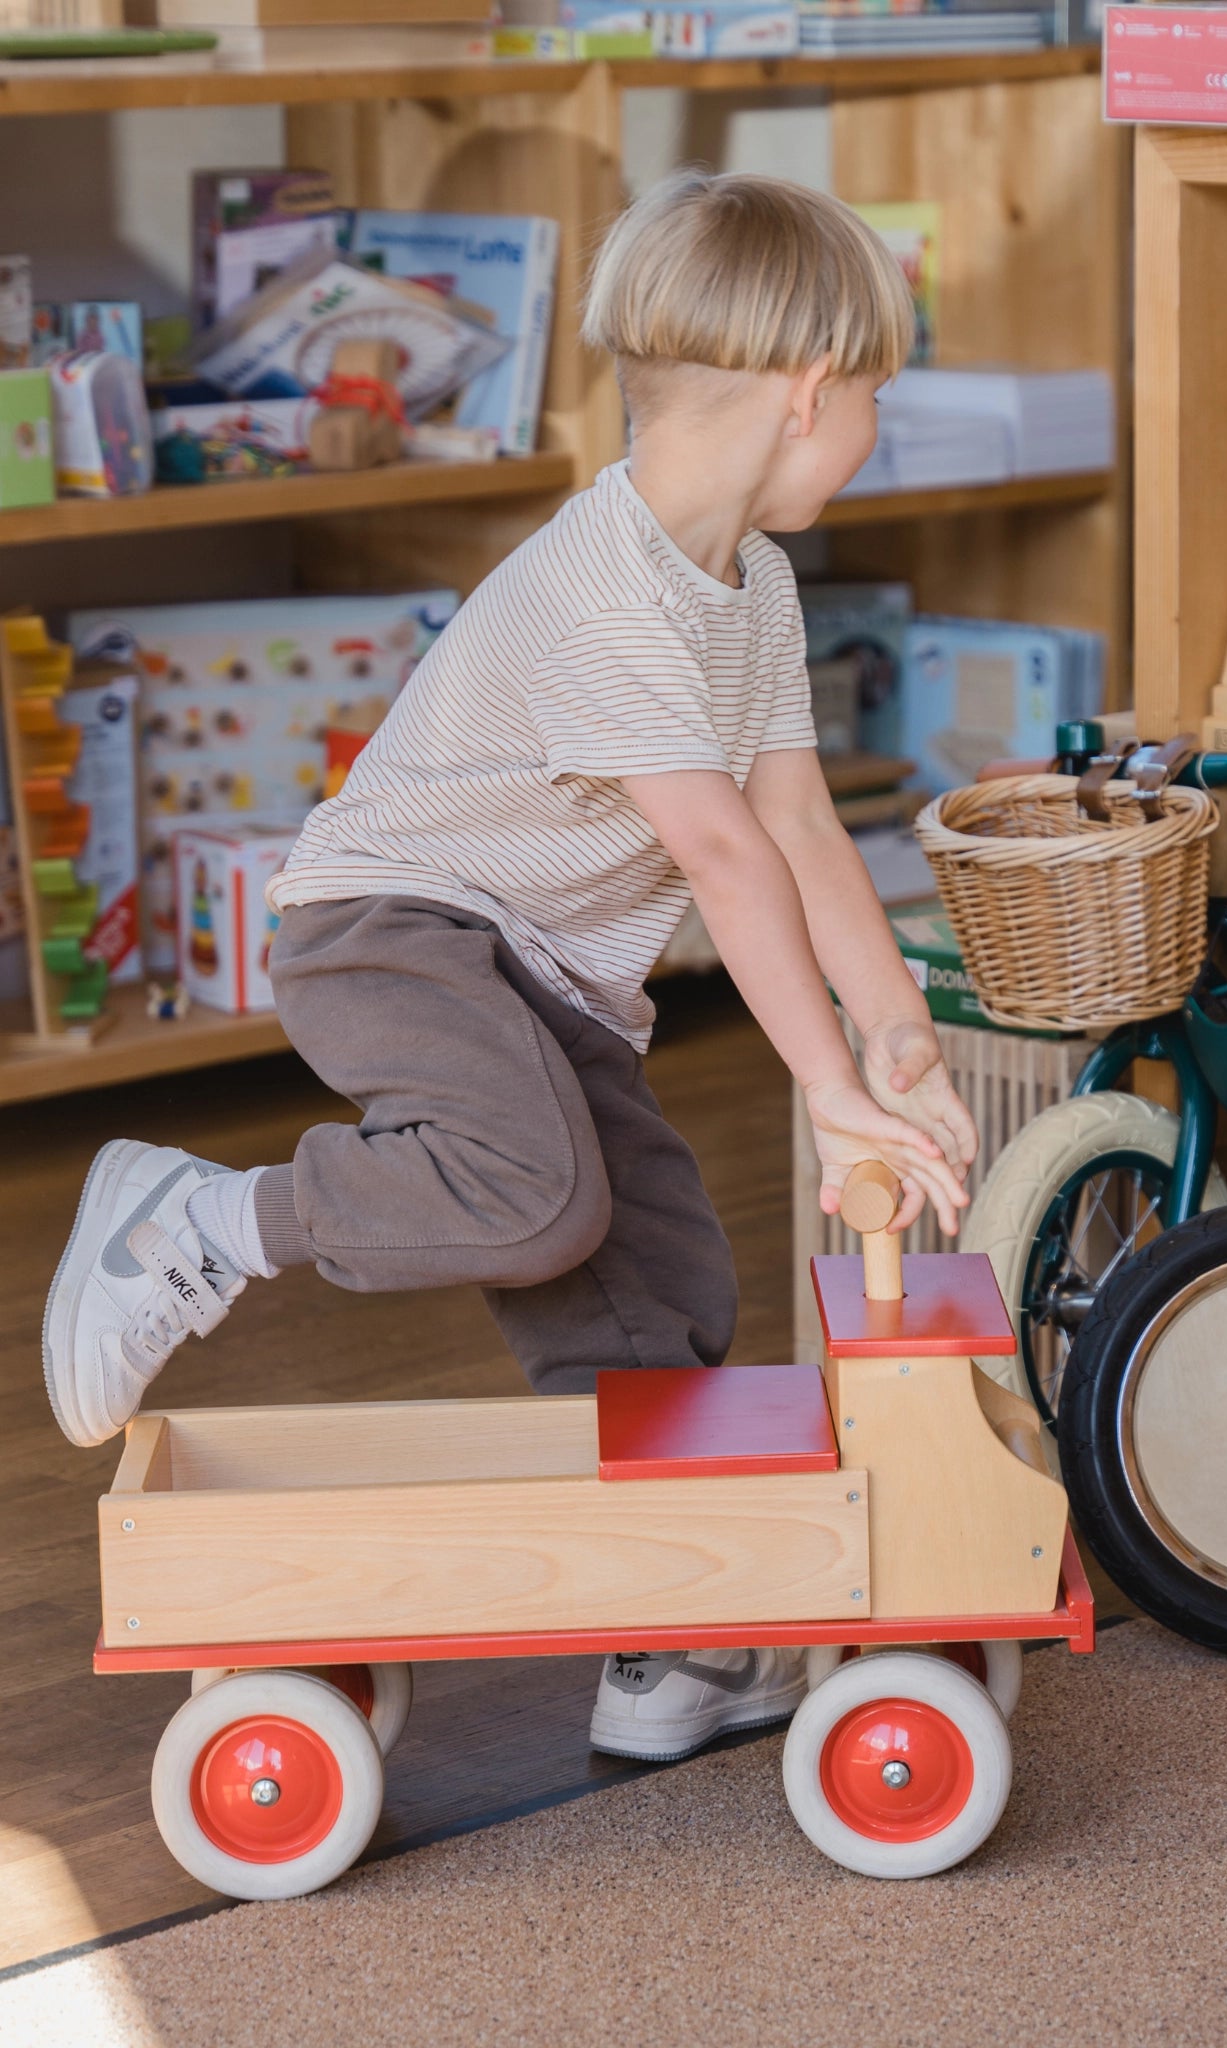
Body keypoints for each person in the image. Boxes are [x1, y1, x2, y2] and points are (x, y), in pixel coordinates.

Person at [41, 170, 976, 1764]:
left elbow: (804, 823)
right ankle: (199, 1220)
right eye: (877, 397)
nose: (875, 428)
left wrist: (899, 1046)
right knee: (535, 1195)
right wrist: (822, 1086)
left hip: (544, 974)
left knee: (663, 1282)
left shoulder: (745, 583)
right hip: (392, 926)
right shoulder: (602, 590)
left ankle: (667, 1644)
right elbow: (725, 858)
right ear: (810, 393)